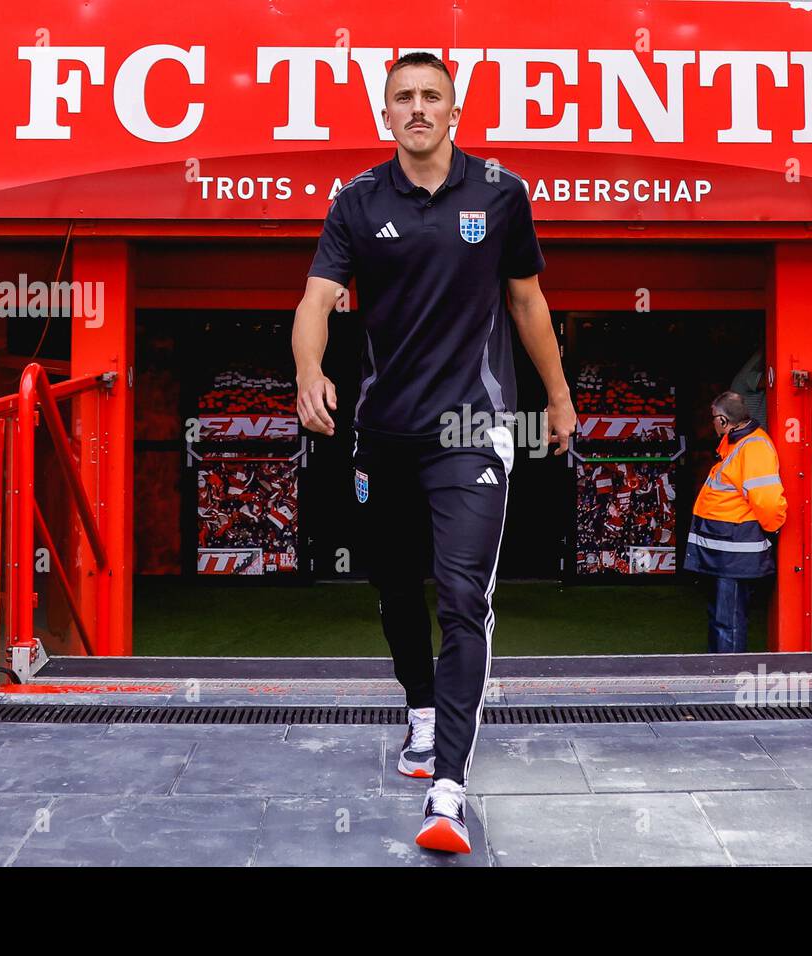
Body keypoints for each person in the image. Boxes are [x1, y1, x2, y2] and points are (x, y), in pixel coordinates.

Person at [292, 52, 576, 853]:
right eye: (403, 98)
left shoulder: (500, 192)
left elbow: (527, 298)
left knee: (461, 597)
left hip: (473, 430)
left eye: (432, 97)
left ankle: (448, 791)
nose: (418, 108)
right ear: (386, 115)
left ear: (455, 111)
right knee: (392, 587)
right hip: (384, 431)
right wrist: (310, 369)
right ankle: (420, 704)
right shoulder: (356, 201)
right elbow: (315, 300)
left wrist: (556, 395)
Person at [683, 391, 786, 652]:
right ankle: (721, 672)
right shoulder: (741, 443)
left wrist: (772, 531)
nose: (712, 425)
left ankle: (728, 680)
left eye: (713, 420)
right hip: (728, 550)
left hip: (735, 552)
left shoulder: (753, 447)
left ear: (722, 420)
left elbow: (769, 502)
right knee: (722, 616)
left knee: (727, 620)